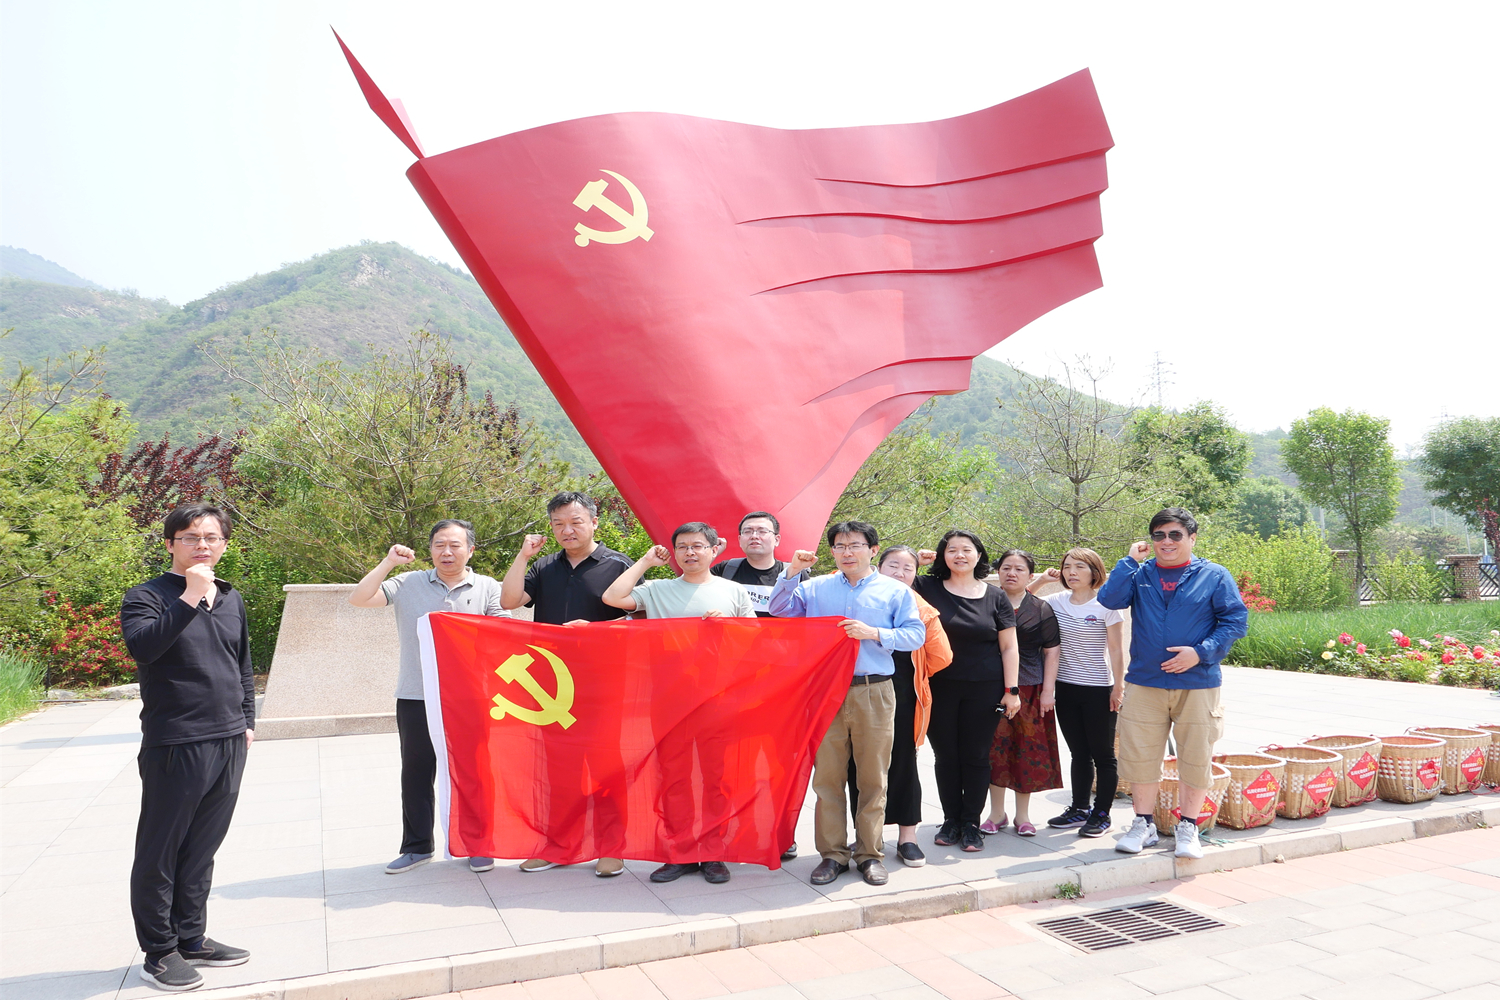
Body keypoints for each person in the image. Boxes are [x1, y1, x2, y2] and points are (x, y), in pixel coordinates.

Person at [121, 504, 254, 991]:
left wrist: (248, 721)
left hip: (229, 737)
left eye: (212, 537)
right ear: (170, 544)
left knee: (202, 848)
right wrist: (191, 594)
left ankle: (192, 938)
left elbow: (241, 662)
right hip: (176, 740)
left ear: (224, 544)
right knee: (161, 850)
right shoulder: (147, 596)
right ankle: (159, 952)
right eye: (191, 537)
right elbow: (144, 648)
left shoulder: (231, 597)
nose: (202, 545)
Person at [769, 521, 925, 886]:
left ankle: (870, 854)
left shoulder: (895, 591)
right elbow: (778, 609)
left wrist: (875, 633)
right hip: (824, 692)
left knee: (873, 777)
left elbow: (915, 635)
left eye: (855, 545)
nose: (847, 552)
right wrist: (791, 572)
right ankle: (832, 855)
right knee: (827, 778)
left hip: (874, 690)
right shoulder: (814, 587)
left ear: (873, 550)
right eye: (839, 546)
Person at [348, 519, 507, 875]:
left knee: (474, 772)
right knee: (416, 772)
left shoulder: (487, 587)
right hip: (416, 695)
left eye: (455, 545)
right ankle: (417, 846)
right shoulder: (408, 582)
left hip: (470, 697)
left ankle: (479, 844)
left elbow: (504, 631)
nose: (446, 552)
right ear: (430, 549)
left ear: (471, 550)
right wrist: (388, 562)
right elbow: (359, 599)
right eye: (439, 545)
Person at [603, 522, 755, 884]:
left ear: (714, 550)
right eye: (682, 546)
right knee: (674, 776)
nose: (690, 552)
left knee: (716, 778)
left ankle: (713, 851)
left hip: (718, 698)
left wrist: (729, 627)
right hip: (668, 698)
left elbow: (755, 640)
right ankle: (681, 851)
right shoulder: (657, 590)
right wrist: (644, 562)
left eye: (697, 546)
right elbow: (612, 598)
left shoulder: (733, 592)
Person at [1098, 507, 1248, 861]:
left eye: (1175, 535)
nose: (1166, 541)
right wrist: (1128, 561)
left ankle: (1188, 827)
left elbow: (1235, 621)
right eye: (1159, 535)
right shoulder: (1140, 574)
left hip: (1198, 682)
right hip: (1145, 681)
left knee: (1195, 756)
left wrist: (1200, 653)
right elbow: (1108, 599)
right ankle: (1143, 824)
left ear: (1192, 538)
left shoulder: (1213, 575)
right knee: (1140, 755)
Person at [500, 491, 634, 877]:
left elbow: (640, 619)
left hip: (604, 683)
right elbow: (509, 600)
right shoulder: (544, 566)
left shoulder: (618, 565)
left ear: (594, 522)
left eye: (575, 521)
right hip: (552, 688)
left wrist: (596, 630)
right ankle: (560, 845)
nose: (567, 530)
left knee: (605, 768)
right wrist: (523, 556)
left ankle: (612, 847)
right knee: (559, 770)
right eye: (558, 523)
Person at [711, 510, 811, 861]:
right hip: (733, 682)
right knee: (731, 762)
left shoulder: (797, 573)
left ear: (776, 539)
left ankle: (780, 832)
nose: (755, 535)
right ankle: (728, 830)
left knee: (778, 762)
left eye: (763, 531)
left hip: (783, 683)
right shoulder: (724, 571)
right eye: (748, 531)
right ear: (739, 539)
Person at [912, 530, 1020, 853]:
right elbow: (890, 584)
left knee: (976, 755)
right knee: (946, 756)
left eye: (966, 549)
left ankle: (971, 823)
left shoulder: (996, 596)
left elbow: (1009, 647)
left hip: (985, 689)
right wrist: (916, 563)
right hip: (939, 687)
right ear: (943, 555)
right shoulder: (926, 587)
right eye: (952, 550)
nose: (959, 555)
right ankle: (951, 820)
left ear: (978, 555)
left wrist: (1011, 690)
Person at [846, 545, 952, 867]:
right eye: (893, 566)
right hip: (859, 690)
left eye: (908, 569)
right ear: (878, 566)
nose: (900, 573)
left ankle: (908, 837)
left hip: (902, 693)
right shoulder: (861, 596)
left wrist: (919, 673)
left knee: (903, 762)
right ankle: (868, 836)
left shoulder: (920, 607)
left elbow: (942, 655)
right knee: (858, 763)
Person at [1026, 548, 1125, 838]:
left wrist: (1119, 686)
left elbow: (1117, 650)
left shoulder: (1107, 605)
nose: (1071, 572)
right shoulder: (1056, 601)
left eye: (1079, 566)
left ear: (1095, 572)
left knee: (1103, 755)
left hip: (1098, 689)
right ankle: (1079, 808)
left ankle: (1102, 814)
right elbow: (1020, 601)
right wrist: (1041, 580)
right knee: (1079, 753)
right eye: (1067, 566)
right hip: (1065, 688)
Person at [981, 549, 1061, 838]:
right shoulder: (986, 601)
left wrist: (1048, 691)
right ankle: (996, 813)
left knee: (1026, 750)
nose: (1011, 573)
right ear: (997, 572)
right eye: (1006, 568)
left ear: (1030, 575)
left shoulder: (1040, 608)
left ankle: (1023, 816)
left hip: (1029, 688)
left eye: (1019, 569)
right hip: (991, 687)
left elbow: (1051, 652)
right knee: (995, 750)